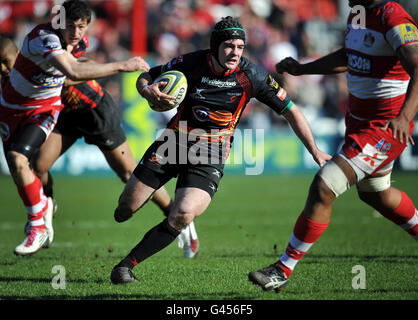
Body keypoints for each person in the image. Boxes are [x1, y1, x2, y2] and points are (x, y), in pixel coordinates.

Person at [109, 16, 331, 284]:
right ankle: (171, 216)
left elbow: (291, 111)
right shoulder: (190, 63)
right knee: (124, 210)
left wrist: (314, 150)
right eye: (229, 46)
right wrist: (147, 91)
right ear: (215, 47)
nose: (235, 52)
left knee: (183, 214)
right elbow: (146, 76)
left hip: (211, 152)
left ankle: (126, 266)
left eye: (240, 46)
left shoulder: (252, 75)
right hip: (173, 143)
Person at [248, 0, 418, 292]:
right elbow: (350, 55)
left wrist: (405, 117)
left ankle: (282, 269)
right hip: (358, 124)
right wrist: (304, 70)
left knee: (325, 185)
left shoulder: (393, 15)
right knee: (376, 194)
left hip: (384, 128)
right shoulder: (358, 14)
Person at [0, 0, 150, 256]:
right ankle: (43, 206)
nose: (77, 33)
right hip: (12, 110)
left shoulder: (76, 44)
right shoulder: (43, 38)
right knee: (20, 166)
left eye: (82, 26)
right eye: (71, 26)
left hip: (44, 111)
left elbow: (76, 68)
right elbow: (74, 71)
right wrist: (123, 65)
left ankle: (37, 225)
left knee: (18, 159)